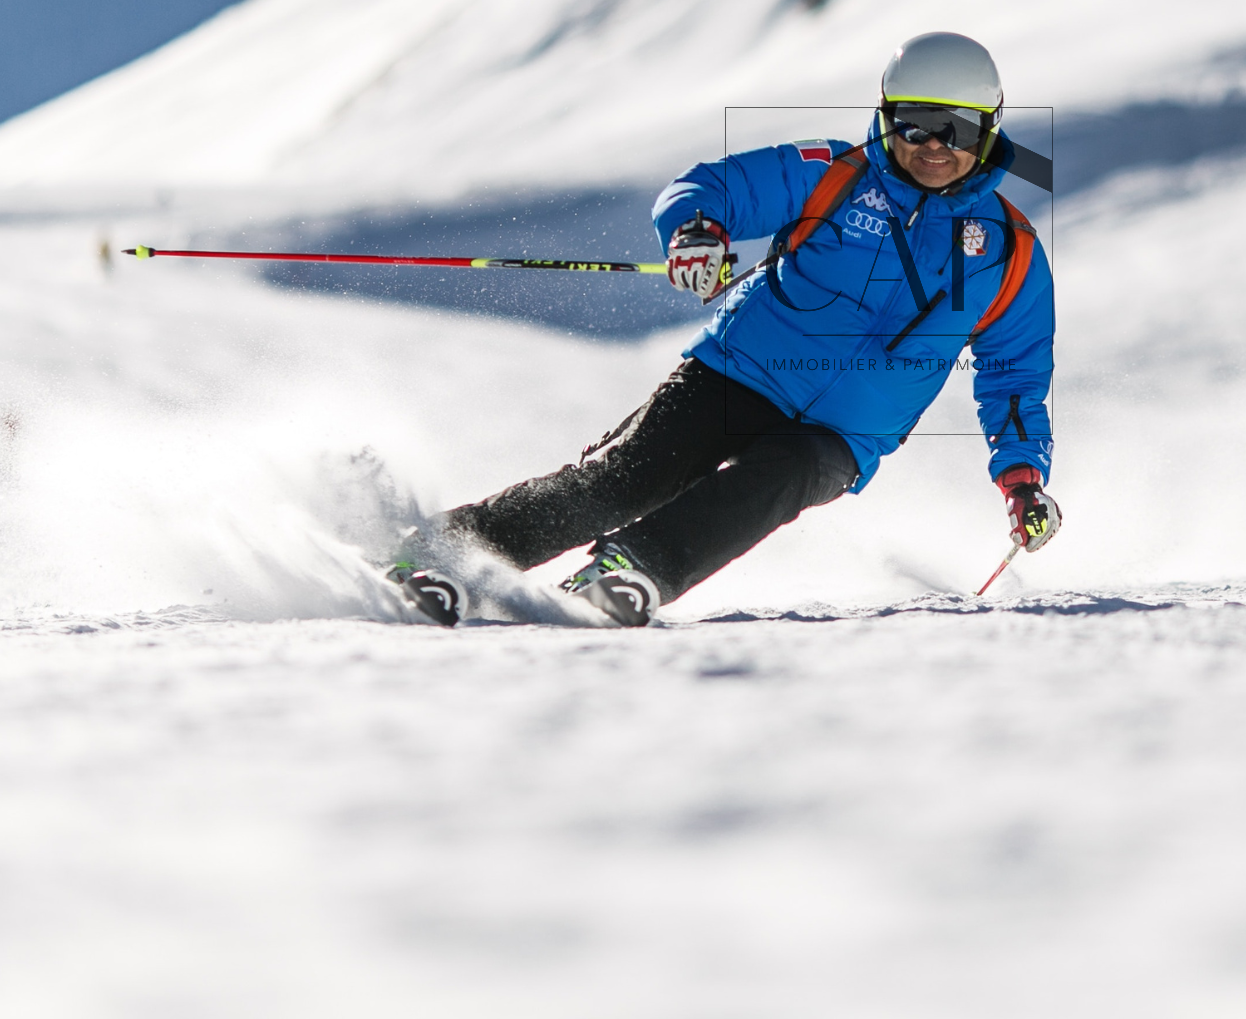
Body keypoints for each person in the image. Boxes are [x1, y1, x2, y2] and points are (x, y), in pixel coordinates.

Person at [392, 32, 1059, 627]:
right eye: (916, 125)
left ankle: (630, 571)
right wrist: (696, 234)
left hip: (844, 434)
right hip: (737, 372)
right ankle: (438, 555)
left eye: (958, 129)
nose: (935, 147)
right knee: (627, 478)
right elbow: (711, 188)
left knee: (781, 477)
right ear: (886, 119)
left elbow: (1015, 375)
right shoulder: (833, 173)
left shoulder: (1010, 250)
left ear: (989, 131)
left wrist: (1023, 480)